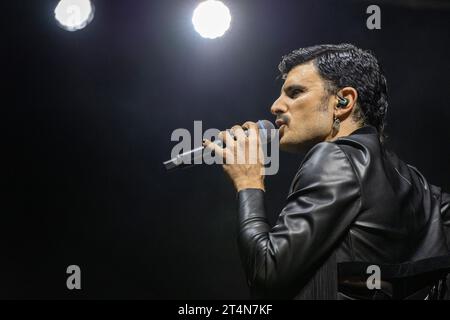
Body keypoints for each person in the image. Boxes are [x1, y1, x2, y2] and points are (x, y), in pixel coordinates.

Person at [203, 43, 450, 300]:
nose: (275, 106)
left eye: (295, 92)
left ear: (343, 102)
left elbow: (266, 275)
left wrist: (248, 182)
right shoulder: (417, 184)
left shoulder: (334, 156)